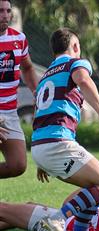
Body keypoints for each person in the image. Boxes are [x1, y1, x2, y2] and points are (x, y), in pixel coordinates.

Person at [30, 28, 99, 231]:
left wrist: (43, 160)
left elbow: (40, 111)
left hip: (41, 144)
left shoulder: (46, 75)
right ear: (75, 47)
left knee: (94, 186)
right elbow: (83, 80)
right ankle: (58, 218)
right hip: (57, 142)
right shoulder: (74, 63)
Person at [0, 0, 38, 178]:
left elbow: (28, 68)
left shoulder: (19, 39)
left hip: (9, 112)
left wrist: (37, 94)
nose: (6, 15)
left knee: (18, 165)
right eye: (0, 11)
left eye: (8, 11)